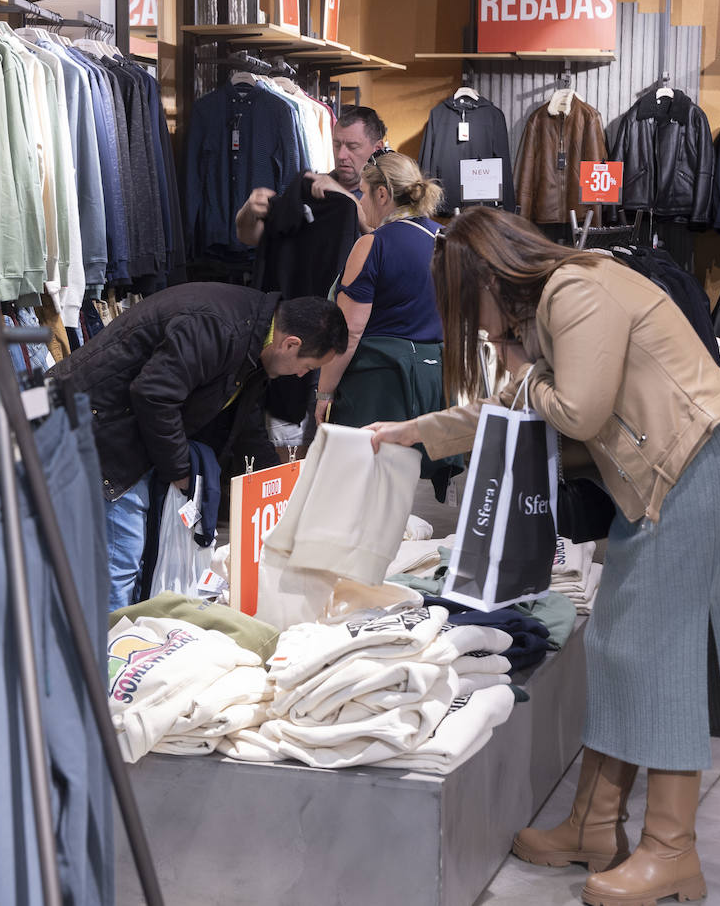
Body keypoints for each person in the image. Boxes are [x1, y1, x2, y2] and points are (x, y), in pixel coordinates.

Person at [368, 207, 720, 906]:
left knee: (655, 653)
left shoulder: (575, 289)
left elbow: (579, 410)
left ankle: (670, 852)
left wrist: (520, 368)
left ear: (487, 276)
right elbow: (512, 413)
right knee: (626, 645)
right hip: (669, 471)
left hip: (697, 465)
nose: (473, 323)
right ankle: (595, 826)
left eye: (465, 302)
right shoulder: (552, 310)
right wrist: (412, 431)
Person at [49, 284, 348, 610]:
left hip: (115, 429)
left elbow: (246, 423)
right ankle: (110, 654)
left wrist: (280, 484)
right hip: (95, 429)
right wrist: (179, 470)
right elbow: (154, 394)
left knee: (126, 557)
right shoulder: (220, 327)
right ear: (291, 344)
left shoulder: (253, 337)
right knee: (120, 559)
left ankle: (110, 640)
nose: (302, 375)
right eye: (308, 367)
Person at [312, 150, 460, 498]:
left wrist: (324, 392)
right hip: (433, 377)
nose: (361, 202)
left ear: (383, 194)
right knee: (400, 493)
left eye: (363, 192)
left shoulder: (372, 246)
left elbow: (349, 331)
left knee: (361, 495)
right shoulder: (446, 240)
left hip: (378, 383)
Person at [235, 106, 388, 246]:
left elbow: (388, 249)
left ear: (377, 148)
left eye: (352, 146)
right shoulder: (311, 188)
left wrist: (351, 202)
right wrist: (248, 212)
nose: (341, 155)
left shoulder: (390, 196)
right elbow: (253, 237)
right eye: (336, 145)